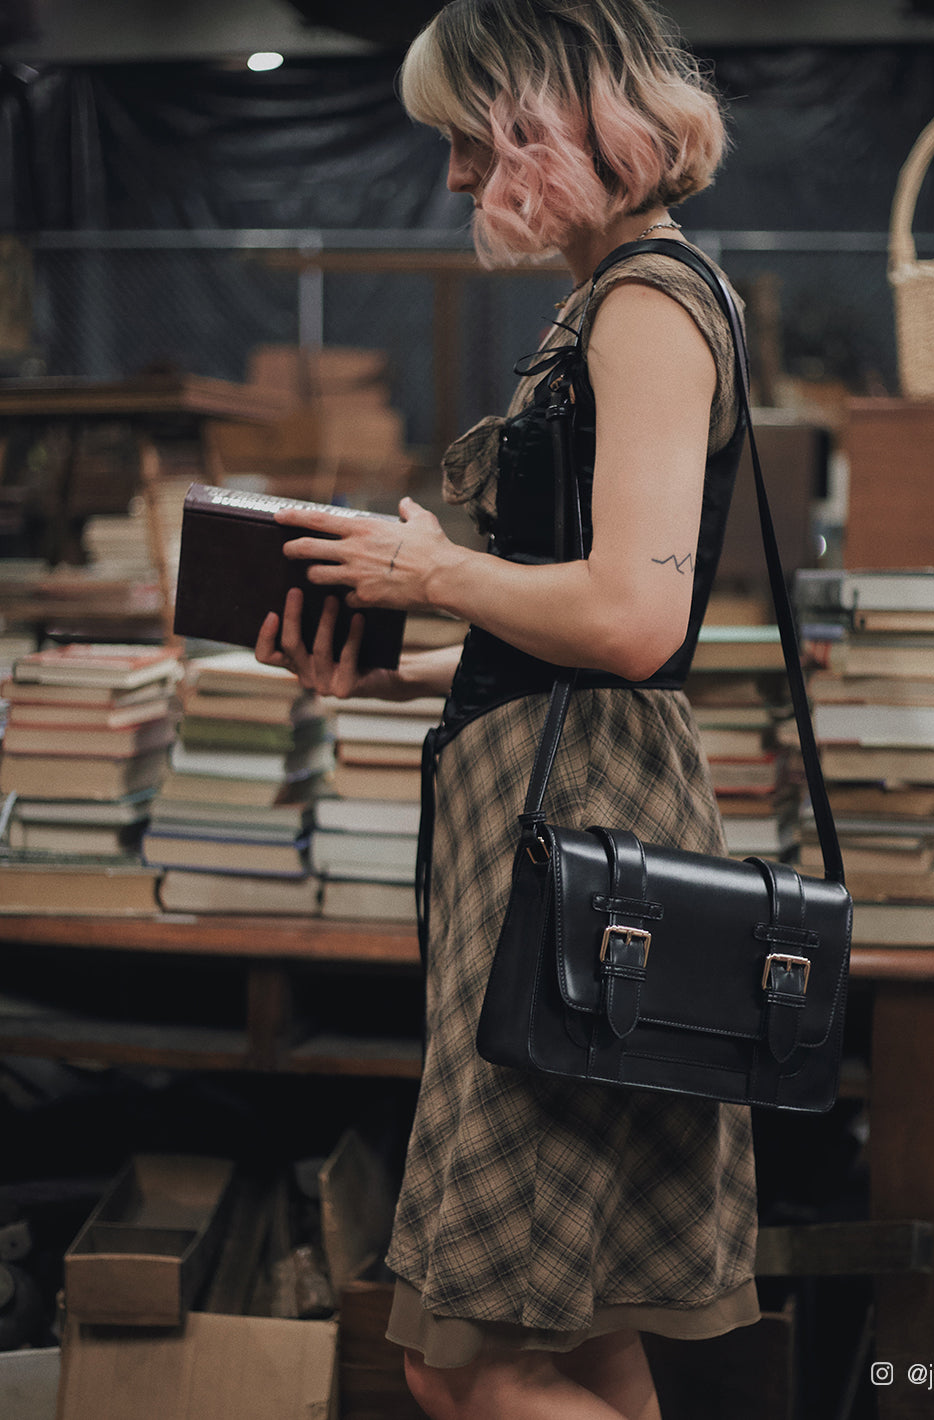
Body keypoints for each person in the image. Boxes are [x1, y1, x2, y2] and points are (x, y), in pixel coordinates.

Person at [256, 2, 759, 1415]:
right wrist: (399, 662)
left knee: (452, 1359)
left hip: (575, 843)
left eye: (466, 143)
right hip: (550, 810)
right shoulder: (611, 297)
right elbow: (572, 644)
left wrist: (434, 567)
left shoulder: (648, 304)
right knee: (579, 1324)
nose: (460, 182)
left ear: (545, 113)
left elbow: (634, 619)